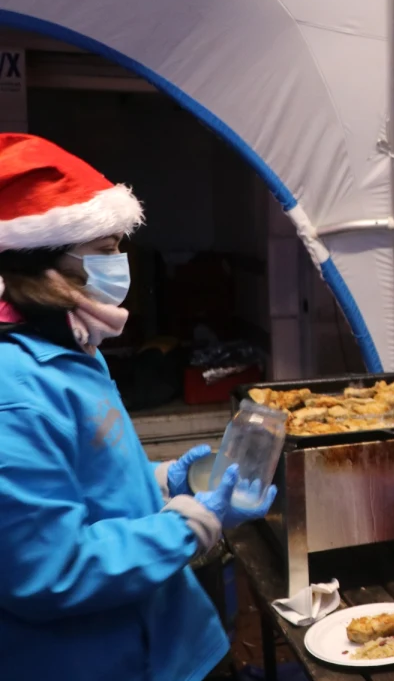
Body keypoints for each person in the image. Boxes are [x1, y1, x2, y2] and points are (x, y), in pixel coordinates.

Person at [0, 134, 275, 681]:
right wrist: (191, 525)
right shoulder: (15, 395)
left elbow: (80, 481)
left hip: (175, 640)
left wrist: (160, 483)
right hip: (108, 660)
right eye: (104, 250)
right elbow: (50, 570)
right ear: (41, 263)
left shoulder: (73, 351)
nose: (119, 264)